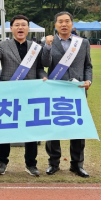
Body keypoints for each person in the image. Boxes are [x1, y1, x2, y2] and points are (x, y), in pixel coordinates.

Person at [0, 14, 48, 177]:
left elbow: (41, 67)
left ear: (28, 28)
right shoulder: (3, 44)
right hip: (8, 92)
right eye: (17, 25)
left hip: (30, 92)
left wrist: (43, 75)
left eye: (23, 25)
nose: (20, 28)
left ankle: (31, 164)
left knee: (30, 129)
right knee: (5, 128)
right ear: (11, 28)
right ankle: (2, 162)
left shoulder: (36, 47)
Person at [41, 11, 92, 178]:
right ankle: (53, 163)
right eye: (60, 21)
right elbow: (44, 64)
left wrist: (88, 81)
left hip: (76, 91)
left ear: (72, 24)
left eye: (67, 21)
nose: (64, 24)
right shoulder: (48, 41)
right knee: (53, 126)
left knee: (77, 128)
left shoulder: (83, 42)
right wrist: (47, 47)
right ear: (55, 25)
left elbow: (88, 66)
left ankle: (77, 165)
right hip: (55, 89)